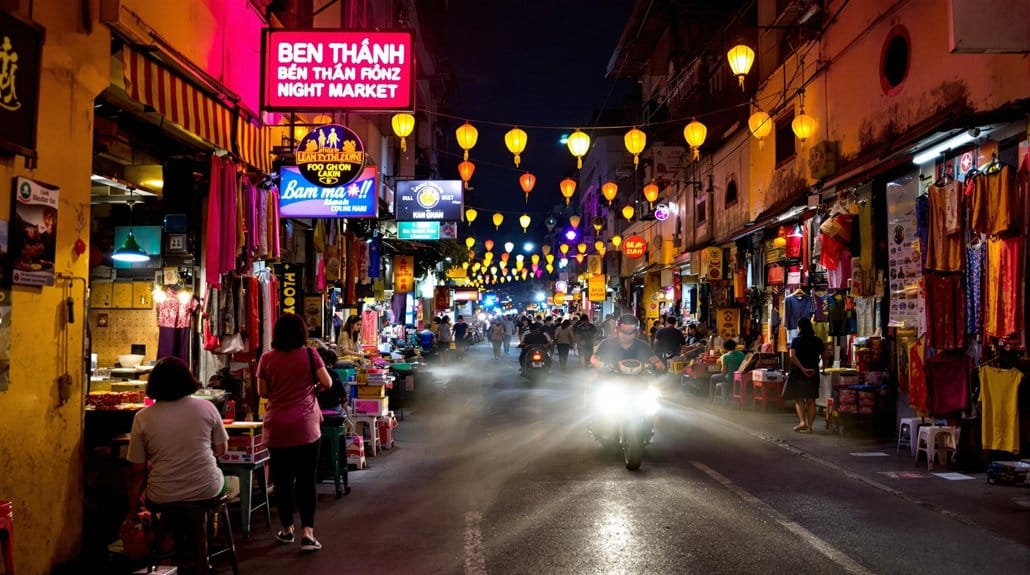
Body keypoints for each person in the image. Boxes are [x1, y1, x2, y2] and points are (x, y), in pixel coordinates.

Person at [124, 357, 229, 566]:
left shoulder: (143, 418)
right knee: (211, 489)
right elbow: (221, 450)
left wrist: (131, 510)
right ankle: (196, 552)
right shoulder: (207, 408)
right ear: (187, 381)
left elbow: (137, 470)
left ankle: (170, 551)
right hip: (207, 490)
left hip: (163, 495)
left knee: (169, 505)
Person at [257, 314, 333, 552]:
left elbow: (263, 392)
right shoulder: (310, 354)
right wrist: (311, 389)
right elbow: (328, 383)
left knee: (282, 481)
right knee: (306, 481)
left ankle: (287, 529)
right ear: (302, 333)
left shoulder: (267, 358)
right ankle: (308, 534)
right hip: (306, 427)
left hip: (278, 426)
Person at [784, 317, 826, 433]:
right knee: (811, 400)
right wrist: (824, 367)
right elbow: (825, 355)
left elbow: (792, 356)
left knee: (799, 399)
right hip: (813, 372)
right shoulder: (817, 340)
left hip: (798, 373)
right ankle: (810, 427)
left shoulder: (796, 340)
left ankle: (802, 421)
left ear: (800, 327)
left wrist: (802, 368)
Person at [591, 314, 666, 373]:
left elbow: (655, 360)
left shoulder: (643, 346)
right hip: (611, 381)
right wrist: (597, 363)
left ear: (636, 333)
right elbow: (594, 358)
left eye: (630, 331)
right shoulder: (607, 343)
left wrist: (659, 364)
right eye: (623, 331)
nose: (626, 335)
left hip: (639, 384)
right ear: (617, 330)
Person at [315, 347, 347, 414]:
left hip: (317, 411)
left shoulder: (312, 374)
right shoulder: (334, 374)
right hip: (334, 410)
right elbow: (343, 396)